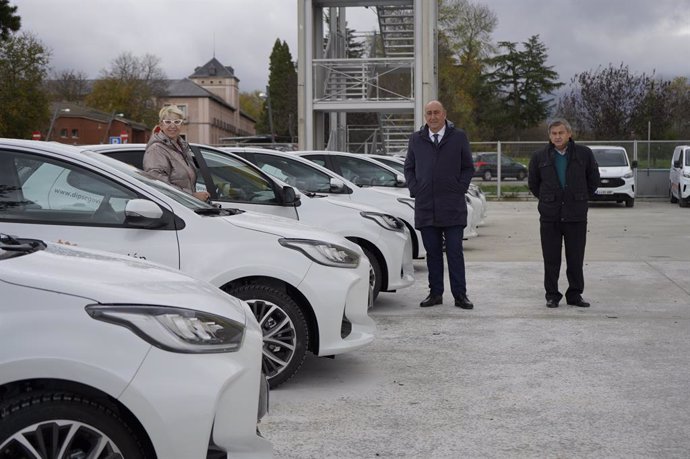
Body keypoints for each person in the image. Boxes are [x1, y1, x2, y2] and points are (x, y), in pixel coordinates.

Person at [404, 100, 475, 309]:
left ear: (444, 114)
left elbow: (467, 168)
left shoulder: (458, 137)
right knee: (433, 254)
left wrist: (459, 187)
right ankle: (435, 294)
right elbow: (409, 168)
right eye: (428, 113)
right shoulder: (416, 139)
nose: (432, 117)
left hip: (452, 206)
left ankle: (460, 295)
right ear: (425, 116)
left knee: (454, 252)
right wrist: (416, 189)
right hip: (426, 207)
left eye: (436, 113)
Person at [528, 118, 600, 308]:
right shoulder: (539, 156)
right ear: (549, 136)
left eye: (561, 133)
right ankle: (552, 295)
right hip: (550, 216)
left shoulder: (584, 154)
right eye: (554, 133)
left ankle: (575, 295)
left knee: (575, 258)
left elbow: (593, 180)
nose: (557, 136)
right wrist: (548, 199)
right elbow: (534, 184)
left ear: (569, 134)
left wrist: (579, 197)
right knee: (551, 258)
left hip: (575, 215)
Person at [143, 106, 210, 201]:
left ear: (182, 124)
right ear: (161, 125)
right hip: (170, 207)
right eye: (168, 122)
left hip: (183, 204)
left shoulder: (182, 147)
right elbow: (159, 185)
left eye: (177, 122)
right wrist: (192, 196)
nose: (173, 126)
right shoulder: (156, 149)